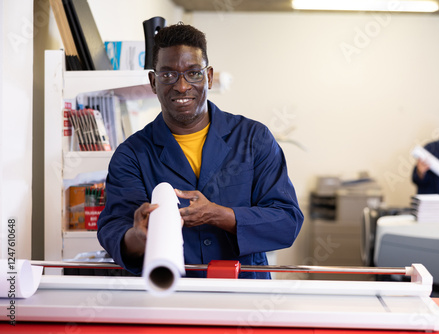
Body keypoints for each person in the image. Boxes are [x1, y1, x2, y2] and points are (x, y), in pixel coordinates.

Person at [97, 23, 304, 279]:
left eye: (193, 73)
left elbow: (287, 222)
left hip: (244, 296)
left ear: (208, 76)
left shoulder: (253, 138)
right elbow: (115, 227)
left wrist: (220, 215)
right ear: (153, 81)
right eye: (168, 75)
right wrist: (136, 238)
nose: (181, 86)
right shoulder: (132, 154)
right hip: (168, 296)